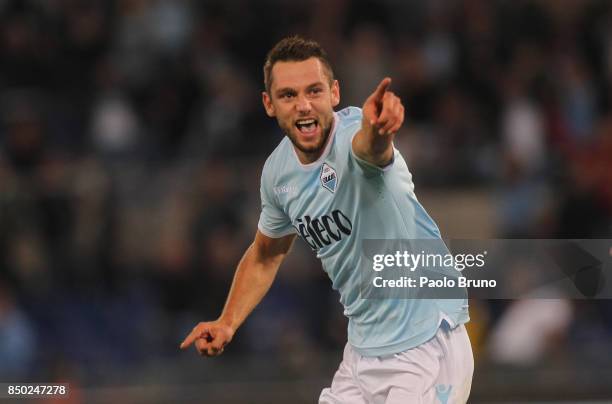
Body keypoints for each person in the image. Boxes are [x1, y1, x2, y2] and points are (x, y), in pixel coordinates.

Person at [180, 35, 474, 403]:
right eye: (288, 95)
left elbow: (370, 150)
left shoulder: (354, 135)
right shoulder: (277, 174)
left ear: (334, 94)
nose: (304, 105)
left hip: (427, 343)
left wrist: (380, 130)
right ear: (269, 104)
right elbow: (266, 254)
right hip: (364, 349)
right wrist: (227, 322)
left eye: (314, 91)